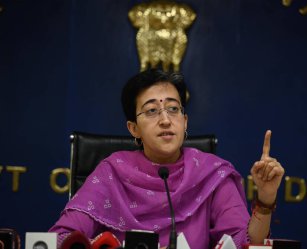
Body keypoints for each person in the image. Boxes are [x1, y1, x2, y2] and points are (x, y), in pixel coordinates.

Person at [49, 69, 285, 249]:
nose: (165, 120)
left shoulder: (213, 175)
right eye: (151, 111)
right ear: (133, 129)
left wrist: (265, 199)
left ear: (185, 121)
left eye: (173, 109)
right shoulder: (111, 172)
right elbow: (62, 239)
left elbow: (246, 245)